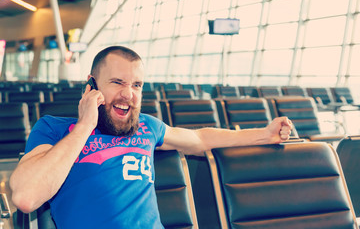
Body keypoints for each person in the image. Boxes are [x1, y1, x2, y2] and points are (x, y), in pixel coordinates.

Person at [9, 46, 292, 228]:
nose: (129, 94)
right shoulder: (54, 129)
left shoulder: (147, 127)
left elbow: (201, 139)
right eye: (117, 82)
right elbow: (26, 197)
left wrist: (264, 134)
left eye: (137, 85)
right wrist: (84, 127)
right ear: (91, 86)